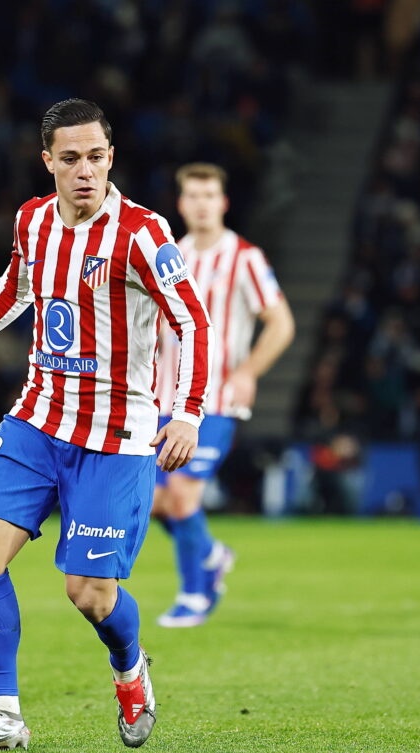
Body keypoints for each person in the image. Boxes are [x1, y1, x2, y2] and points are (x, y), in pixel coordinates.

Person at [0, 99, 211, 750]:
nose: (85, 171)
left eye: (96, 157)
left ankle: (130, 668)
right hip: (38, 418)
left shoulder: (142, 233)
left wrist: (188, 413)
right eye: (70, 160)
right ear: (48, 163)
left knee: (89, 594)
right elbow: (14, 291)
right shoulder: (33, 221)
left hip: (117, 436)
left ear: (111, 157)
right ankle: (2, 711)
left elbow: (192, 320)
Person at [151, 163, 295, 627]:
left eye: (209, 195)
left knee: (183, 498)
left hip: (212, 401)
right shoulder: (168, 254)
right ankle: (211, 554)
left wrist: (249, 370)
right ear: (181, 203)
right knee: (154, 500)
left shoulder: (245, 258)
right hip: (160, 399)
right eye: (192, 195)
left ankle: (195, 594)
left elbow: (281, 322)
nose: (201, 204)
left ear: (224, 202)